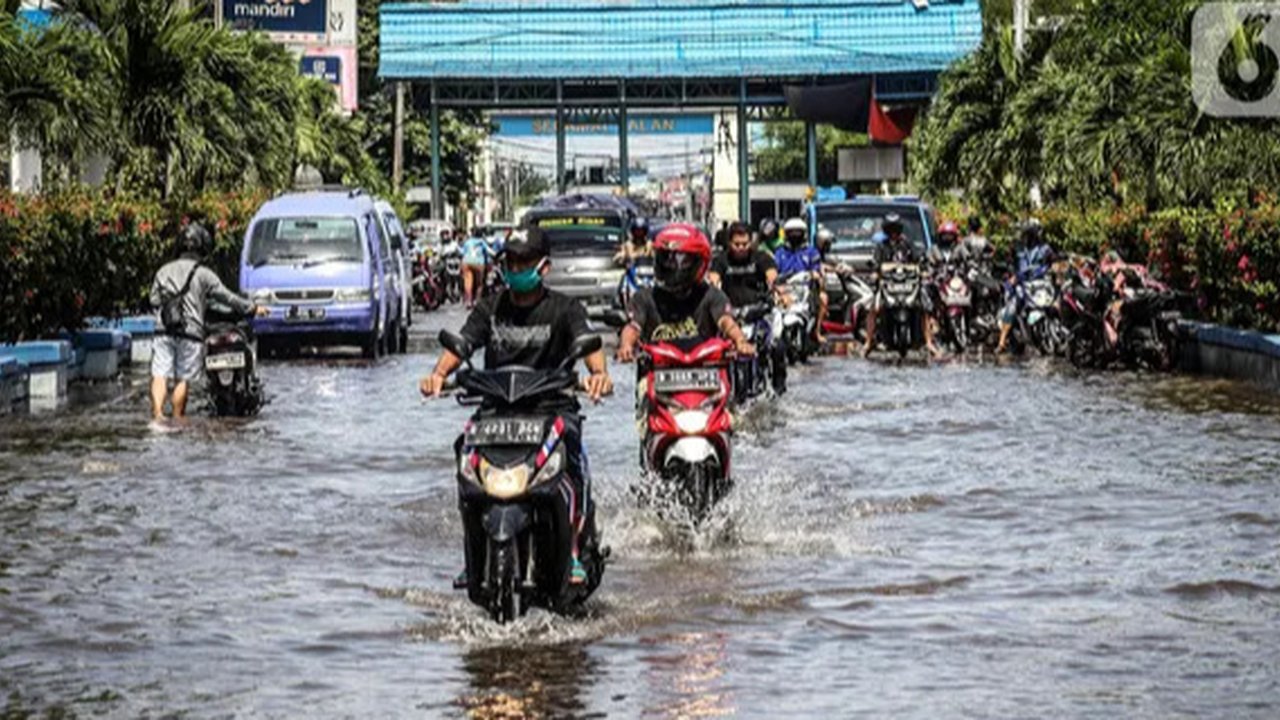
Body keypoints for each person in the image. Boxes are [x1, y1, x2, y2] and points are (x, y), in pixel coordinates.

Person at [420, 228, 613, 585]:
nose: (516, 268)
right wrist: (437, 375)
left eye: (524, 262)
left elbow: (589, 344)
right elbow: (462, 344)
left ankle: (572, 549)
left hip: (551, 410)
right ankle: (474, 552)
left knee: (572, 453)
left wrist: (599, 375)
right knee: (464, 453)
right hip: (496, 413)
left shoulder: (565, 308)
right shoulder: (490, 307)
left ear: (543, 267)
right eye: (511, 262)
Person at [149, 222, 268, 422]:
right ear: (203, 249)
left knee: (160, 374)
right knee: (182, 379)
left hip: (164, 330)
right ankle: (178, 418)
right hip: (191, 333)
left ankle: (158, 416)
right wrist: (254, 308)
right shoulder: (204, 274)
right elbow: (228, 298)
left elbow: (153, 299)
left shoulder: (163, 271)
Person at [616, 223, 754, 362]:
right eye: (667, 258)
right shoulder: (645, 297)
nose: (674, 266)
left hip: (706, 368)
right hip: (657, 371)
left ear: (699, 263)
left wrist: (740, 340)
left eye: (683, 261)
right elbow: (633, 326)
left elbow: (726, 321)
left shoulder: (711, 295)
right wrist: (626, 345)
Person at [709, 221, 785, 393]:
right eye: (737, 244)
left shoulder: (761, 258)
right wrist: (712, 290)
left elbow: (772, 276)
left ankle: (778, 387)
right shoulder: (720, 261)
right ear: (729, 243)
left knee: (776, 346)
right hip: (731, 315)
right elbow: (713, 281)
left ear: (751, 242)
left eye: (745, 244)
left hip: (758, 313)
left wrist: (779, 290)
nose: (741, 248)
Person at [861, 213, 940, 358]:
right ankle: (868, 341)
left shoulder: (907, 244)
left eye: (896, 230)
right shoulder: (881, 247)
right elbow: (875, 264)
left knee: (924, 306)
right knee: (873, 307)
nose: (893, 234)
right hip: (888, 286)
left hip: (907, 285)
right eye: (890, 230)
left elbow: (918, 260)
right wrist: (874, 273)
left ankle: (929, 342)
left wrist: (923, 270)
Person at [996, 219, 1055, 353]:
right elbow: (1010, 264)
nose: (1033, 236)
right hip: (1022, 284)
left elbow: (1052, 261)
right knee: (1012, 307)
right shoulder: (1018, 248)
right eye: (1031, 233)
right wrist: (1012, 276)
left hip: (1039, 283)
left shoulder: (1045, 249)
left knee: (1054, 304)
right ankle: (1001, 341)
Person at [772, 217, 830, 343]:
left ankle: (817, 332)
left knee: (823, 299)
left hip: (805, 288)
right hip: (784, 288)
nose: (795, 235)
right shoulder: (780, 252)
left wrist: (816, 276)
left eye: (798, 232)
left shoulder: (811, 251)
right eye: (791, 232)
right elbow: (774, 270)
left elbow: (817, 269)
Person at [460, 227, 490, 308]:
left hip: (466, 262)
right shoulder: (482, 242)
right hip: (479, 263)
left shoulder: (468, 242)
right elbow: (489, 252)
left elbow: (462, 252)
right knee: (479, 283)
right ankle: (477, 301)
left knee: (468, 283)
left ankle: (469, 302)